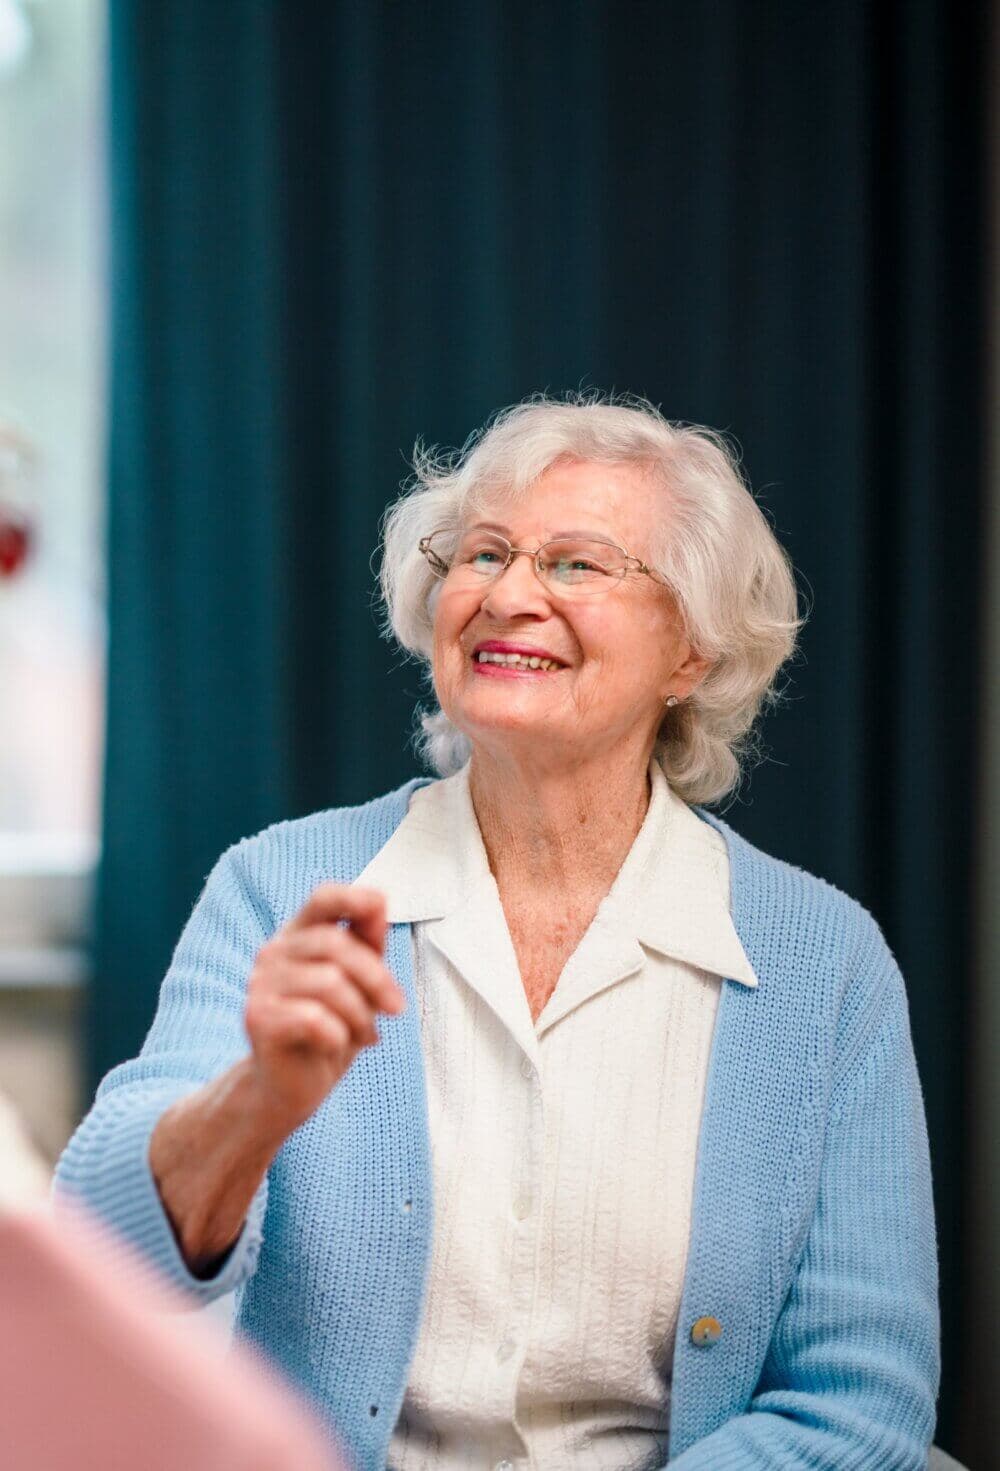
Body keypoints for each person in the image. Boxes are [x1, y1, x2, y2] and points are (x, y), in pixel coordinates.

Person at [54, 393, 940, 1470]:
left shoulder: (825, 963)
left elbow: (859, 1398)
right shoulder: (279, 885)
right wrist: (257, 1100)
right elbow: (99, 1259)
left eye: (576, 564)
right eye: (480, 554)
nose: (507, 594)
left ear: (691, 655)